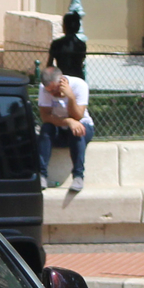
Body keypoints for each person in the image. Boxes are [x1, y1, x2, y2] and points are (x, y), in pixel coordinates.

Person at [35, 59, 93, 193]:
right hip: (59, 128)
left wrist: (70, 97)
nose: (53, 94)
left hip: (83, 127)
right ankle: (41, 175)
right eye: (50, 92)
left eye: (55, 90)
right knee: (46, 129)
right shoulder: (44, 89)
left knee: (77, 130)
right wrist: (68, 121)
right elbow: (45, 117)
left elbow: (78, 116)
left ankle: (78, 176)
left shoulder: (79, 85)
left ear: (62, 81)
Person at [46, 11, 87, 81]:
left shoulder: (56, 44)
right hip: (78, 78)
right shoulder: (81, 44)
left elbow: (49, 65)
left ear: (65, 26)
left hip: (62, 78)